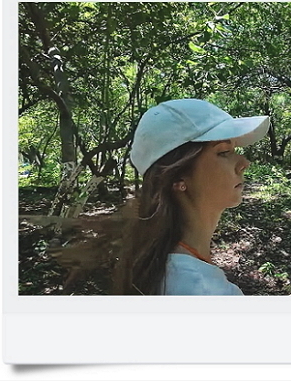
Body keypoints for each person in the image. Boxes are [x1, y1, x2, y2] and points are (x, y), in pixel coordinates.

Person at [113, 98, 270, 295]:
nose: (244, 163)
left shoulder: (161, 263)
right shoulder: (200, 289)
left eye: (234, 150)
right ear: (177, 177)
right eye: (223, 152)